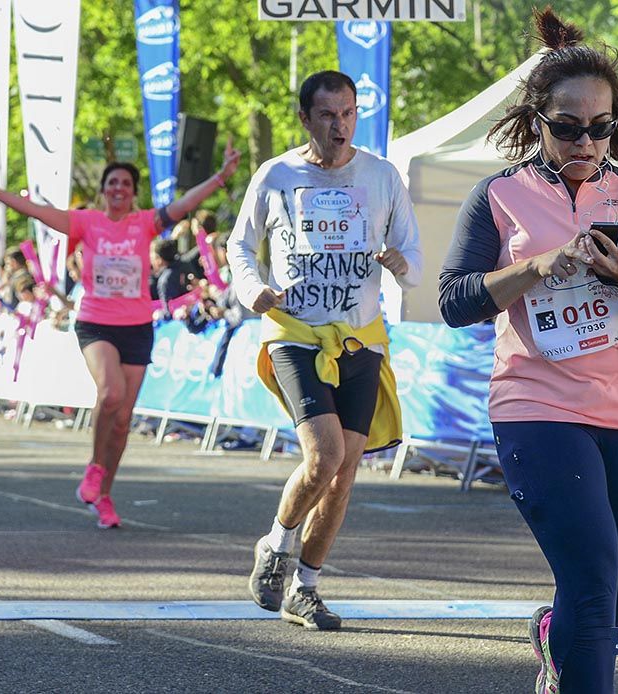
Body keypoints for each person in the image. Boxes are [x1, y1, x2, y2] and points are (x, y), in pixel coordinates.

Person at [439, 10, 618, 693]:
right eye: (568, 126)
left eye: (602, 127)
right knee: (590, 576)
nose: (587, 140)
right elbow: (455, 300)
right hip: (537, 405)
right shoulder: (499, 196)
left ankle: (555, 634)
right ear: (537, 120)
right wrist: (532, 268)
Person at [228, 70, 421, 631]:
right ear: (306, 118)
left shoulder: (381, 176)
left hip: (361, 337)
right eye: (328, 116)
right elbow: (240, 244)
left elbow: (412, 253)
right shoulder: (276, 175)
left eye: (349, 113)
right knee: (325, 456)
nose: (340, 126)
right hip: (295, 333)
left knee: (344, 472)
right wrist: (253, 289)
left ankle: (305, 588)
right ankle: (276, 544)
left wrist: (403, 266)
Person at [0, 143, 240, 529]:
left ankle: (105, 494)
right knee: (110, 394)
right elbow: (33, 210)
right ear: (103, 189)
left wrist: (222, 176)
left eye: (126, 183)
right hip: (96, 323)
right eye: (112, 182)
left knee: (124, 419)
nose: (119, 188)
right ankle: (95, 467)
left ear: (133, 191)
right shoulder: (86, 223)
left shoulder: (145, 223)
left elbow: (185, 203)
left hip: (137, 326)